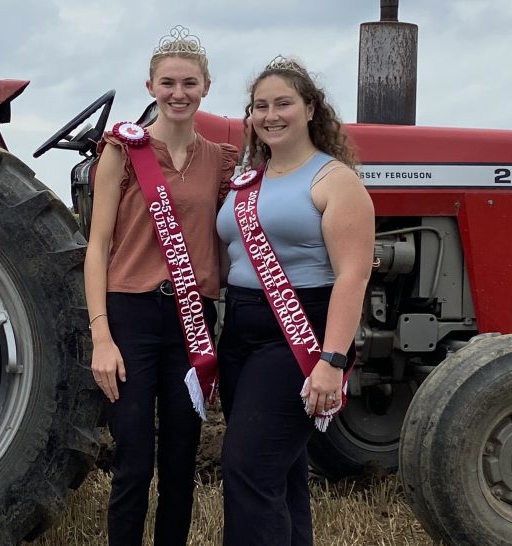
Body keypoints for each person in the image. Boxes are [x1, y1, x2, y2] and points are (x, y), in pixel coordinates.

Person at [84, 25, 238, 546]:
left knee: (180, 462)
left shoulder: (220, 160)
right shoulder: (122, 150)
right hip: (130, 315)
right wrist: (101, 337)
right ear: (150, 86)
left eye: (189, 83)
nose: (178, 93)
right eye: (168, 83)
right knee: (132, 462)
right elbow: (97, 247)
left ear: (206, 87)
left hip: (192, 319)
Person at [215, 55, 375, 545]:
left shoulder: (334, 180)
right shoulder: (248, 179)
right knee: (281, 473)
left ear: (310, 109)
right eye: (260, 106)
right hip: (240, 332)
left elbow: (352, 276)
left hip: (297, 334)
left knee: (248, 469)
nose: (271, 115)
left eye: (283, 103)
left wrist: (331, 361)